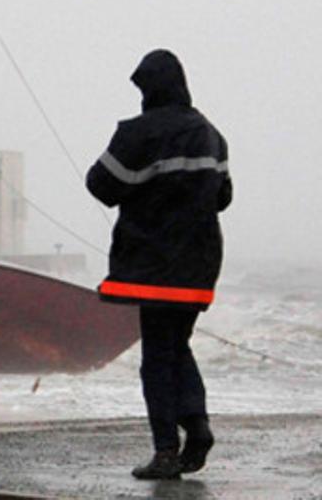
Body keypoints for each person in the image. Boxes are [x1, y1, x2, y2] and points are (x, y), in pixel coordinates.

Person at [86, 49, 231, 481]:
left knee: (156, 356)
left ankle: (166, 451)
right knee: (177, 346)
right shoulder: (211, 135)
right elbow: (222, 197)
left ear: (149, 90)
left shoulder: (138, 134)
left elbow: (101, 184)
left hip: (152, 265)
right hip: (201, 264)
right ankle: (198, 426)